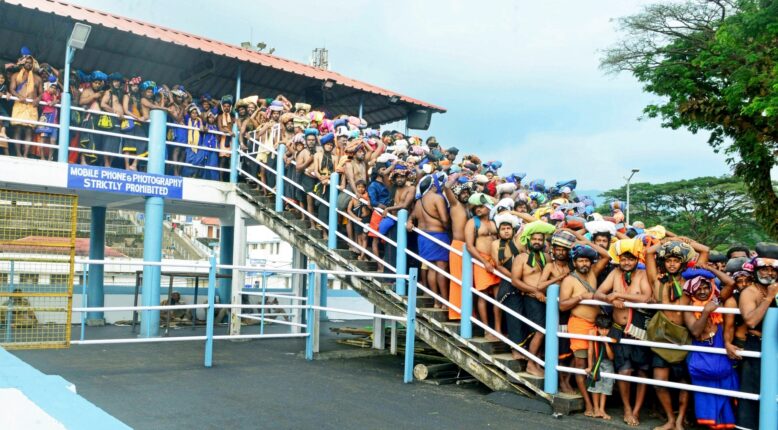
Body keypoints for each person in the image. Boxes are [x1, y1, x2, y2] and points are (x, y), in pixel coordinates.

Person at [645, 239, 706, 430]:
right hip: (662, 337)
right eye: (669, 260)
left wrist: (683, 241)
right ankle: (671, 420)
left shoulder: (691, 282)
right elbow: (649, 253)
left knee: (684, 382)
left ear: (683, 262)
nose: (672, 264)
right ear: (664, 262)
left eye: (676, 260)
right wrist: (667, 242)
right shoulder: (657, 281)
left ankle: (680, 422)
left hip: (685, 337)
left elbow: (705, 251)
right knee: (659, 382)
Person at [594, 238, 652, 427]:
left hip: (639, 330)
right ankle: (627, 409)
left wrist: (619, 295)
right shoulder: (614, 273)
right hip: (619, 329)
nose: (626, 262)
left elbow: (646, 297)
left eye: (630, 259)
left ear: (636, 259)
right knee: (624, 370)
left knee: (642, 372)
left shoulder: (642, 274)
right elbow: (598, 293)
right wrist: (610, 299)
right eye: (623, 259)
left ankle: (636, 411)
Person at [681, 268, 738, 429]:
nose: (702, 291)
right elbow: (695, 331)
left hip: (721, 354)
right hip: (701, 359)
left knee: (725, 394)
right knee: (705, 398)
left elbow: (730, 283)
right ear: (691, 290)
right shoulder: (688, 307)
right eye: (698, 288)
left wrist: (709, 268)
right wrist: (706, 312)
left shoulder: (718, 300)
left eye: (706, 287)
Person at [559, 241, 611, 413]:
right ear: (574, 263)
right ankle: (588, 404)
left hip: (596, 326)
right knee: (581, 364)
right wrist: (581, 297)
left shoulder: (593, 273)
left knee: (595, 363)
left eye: (587, 260)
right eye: (580, 260)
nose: (584, 264)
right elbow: (563, 305)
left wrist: (585, 242)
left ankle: (595, 403)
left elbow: (607, 256)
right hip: (579, 324)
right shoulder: (569, 280)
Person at [737, 257, 778, 430]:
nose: (769, 273)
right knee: (753, 390)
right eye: (764, 269)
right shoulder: (750, 292)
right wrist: (769, 298)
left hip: (775, 346)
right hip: (757, 347)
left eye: (773, 270)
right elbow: (751, 321)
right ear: (755, 271)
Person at [511, 220, 555, 376]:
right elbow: (515, 281)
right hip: (531, 298)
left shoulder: (547, 257)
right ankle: (530, 364)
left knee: (546, 331)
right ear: (528, 240)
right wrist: (535, 291)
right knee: (540, 331)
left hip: (546, 299)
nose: (537, 242)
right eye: (534, 239)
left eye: (540, 239)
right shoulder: (521, 258)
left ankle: (536, 362)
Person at [408, 173, 451, 303]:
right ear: (433, 185)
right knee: (441, 269)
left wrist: (409, 222)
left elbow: (412, 216)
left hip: (423, 237)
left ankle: (436, 302)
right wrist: (450, 229)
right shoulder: (437, 198)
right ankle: (444, 302)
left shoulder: (419, 201)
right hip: (438, 236)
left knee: (432, 269)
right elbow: (445, 220)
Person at [465, 192, 501, 339]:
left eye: (481, 206)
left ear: (488, 206)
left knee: (498, 297)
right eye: (476, 207)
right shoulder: (472, 222)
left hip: (495, 261)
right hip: (481, 261)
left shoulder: (494, 222)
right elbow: (469, 246)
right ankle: (486, 330)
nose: (478, 209)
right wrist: (484, 262)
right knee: (483, 296)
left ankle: (498, 330)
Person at [492, 212, 523, 356]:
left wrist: (514, 213)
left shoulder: (519, 240)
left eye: (508, 228)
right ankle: (515, 349)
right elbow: (498, 265)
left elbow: (534, 222)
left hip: (522, 280)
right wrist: (514, 279)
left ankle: (523, 349)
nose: (506, 231)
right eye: (503, 229)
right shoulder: (495, 244)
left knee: (524, 315)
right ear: (498, 231)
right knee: (513, 316)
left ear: (513, 229)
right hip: (509, 281)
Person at [444, 179, 473, 320]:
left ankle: (468, 313)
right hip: (457, 246)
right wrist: (458, 176)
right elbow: (446, 187)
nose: (465, 194)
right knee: (457, 280)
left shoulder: (470, 207)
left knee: (468, 281)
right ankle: (456, 314)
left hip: (469, 247)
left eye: (467, 192)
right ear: (457, 194)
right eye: (463, 192)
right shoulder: (455, 205)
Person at [9, 54, 42, 158]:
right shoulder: (16, 75)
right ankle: (18, 154)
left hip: (32, 106)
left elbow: (41, 93)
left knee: (29, 131)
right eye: (26, 62)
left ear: (33, 64)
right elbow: (12, 89)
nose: (28, 64)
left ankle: (25, 155)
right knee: (18, 129)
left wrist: (38, 99)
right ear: (23, 63)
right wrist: (19, 96)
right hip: (19, 105)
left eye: (30, 63)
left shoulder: (38, 78)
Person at [586, 313, 615, 421]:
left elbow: (611, 357)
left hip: (608, 363)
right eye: (601, 329)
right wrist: (590, 366)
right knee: (595, 384)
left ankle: (602, 409)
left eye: (606, 329)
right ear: (597, 327)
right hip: (596, 361)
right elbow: (590, 351)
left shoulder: (612, 335)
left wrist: (606, 343)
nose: (604, 332)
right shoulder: (592, 333)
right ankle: (596, 409)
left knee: (606, 385)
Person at [98, 73, 125, 167]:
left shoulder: (119, 93)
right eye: (115, 81)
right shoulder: (108, 92)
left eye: (119, 82)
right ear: (111, 82)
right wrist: (114, 112)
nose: (117, 83)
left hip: (118, 121)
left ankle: (110, 163)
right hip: (111, 120)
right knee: (108, 141)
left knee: (115, 143)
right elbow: (103, 104)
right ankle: (106, 164)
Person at [35, 76, 59, 161]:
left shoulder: (55, 95)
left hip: (54, 119)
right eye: (52, 87)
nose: (53, 89)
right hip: (46, 117)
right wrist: (56, 100)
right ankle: (42, 157)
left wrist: (56, 98)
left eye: (55, 88)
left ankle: (49, 158)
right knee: (43, 138)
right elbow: (50, 104)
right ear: (48, 86)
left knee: (53, 140)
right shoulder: (45, 94)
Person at [347, 180, 371, 258]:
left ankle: (362, 255)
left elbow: (371, 207)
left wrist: (367, 200)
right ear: (356, 188)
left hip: (366, 219)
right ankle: (362, 255)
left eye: (363, 187)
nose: (361, 189)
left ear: (365, 188)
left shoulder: (367, 196)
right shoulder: (353, 197)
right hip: (358, 220)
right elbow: (348, 210)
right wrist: (356, 218)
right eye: (359, 187)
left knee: (364, 237)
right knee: (360, 237)